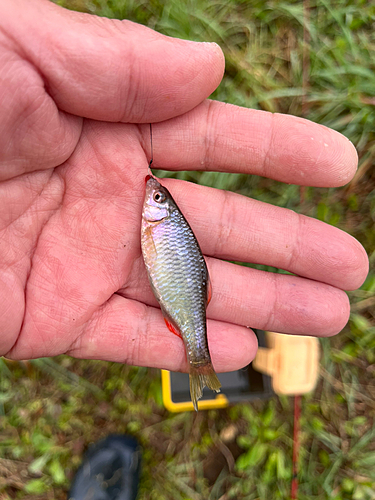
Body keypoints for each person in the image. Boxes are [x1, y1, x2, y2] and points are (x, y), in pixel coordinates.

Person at [0, 0, 369, 498]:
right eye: (158, 196)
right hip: (179, 291)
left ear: (159, 211)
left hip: (181, 296)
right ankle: (201, 367)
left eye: (156, 198)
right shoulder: (155, 223)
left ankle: (201, 363)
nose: (151, 196)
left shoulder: (157, 223)